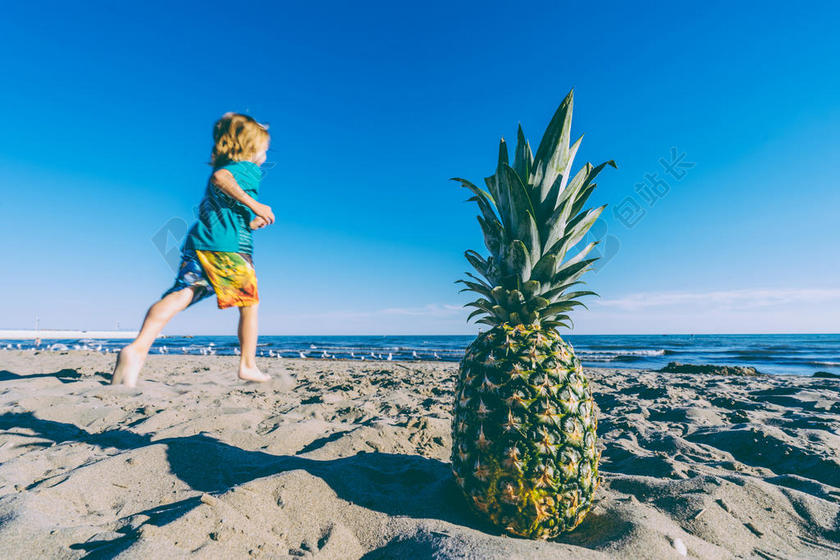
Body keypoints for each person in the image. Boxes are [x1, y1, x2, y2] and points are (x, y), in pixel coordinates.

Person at [111, 112, 282, 388]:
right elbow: (221, 178)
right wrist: (256, 205)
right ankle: (248, 365)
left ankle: (137, 348)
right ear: (250, 147)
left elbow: (224, 203)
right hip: (229, 249)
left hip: (203, 242)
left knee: (182, 294)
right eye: (265, 147)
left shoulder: (233, 164)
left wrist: (252, 220)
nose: (265, 153)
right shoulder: (247, 168)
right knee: (250, 304)